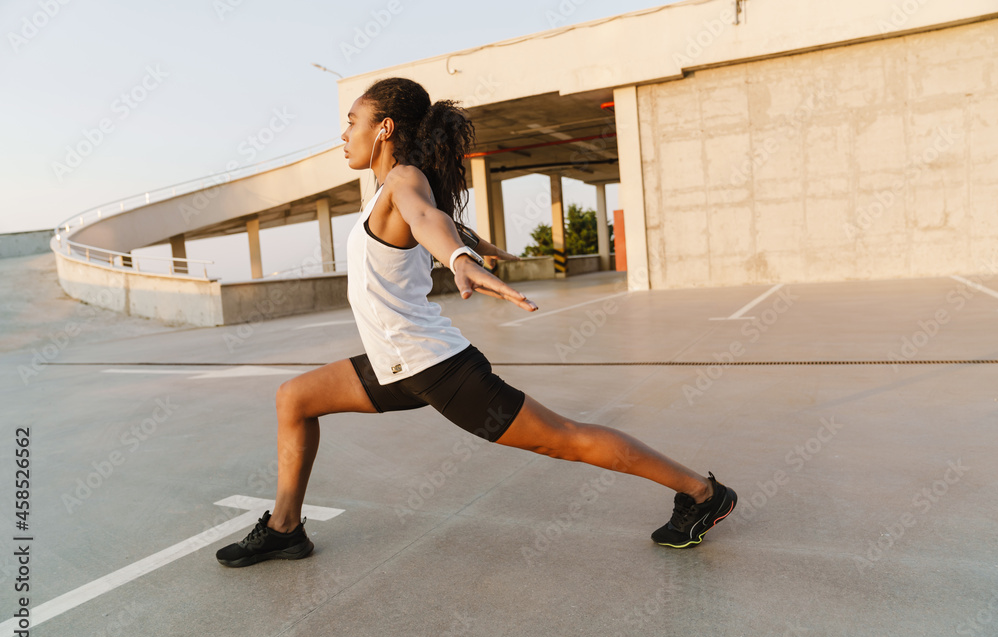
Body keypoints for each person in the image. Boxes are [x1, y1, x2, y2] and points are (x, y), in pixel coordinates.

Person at [215, 78, 737, 568]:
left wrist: (461, 260)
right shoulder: (384, 192)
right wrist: (478, 247)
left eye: (353, 121)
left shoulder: (402, 180)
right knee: (295, 398)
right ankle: (286, 528)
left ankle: (703, 493)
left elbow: (428, 220)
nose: (343, 134)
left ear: (385, 128)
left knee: (565, 438)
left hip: (437, 368)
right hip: (396, 364)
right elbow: (437, 222)